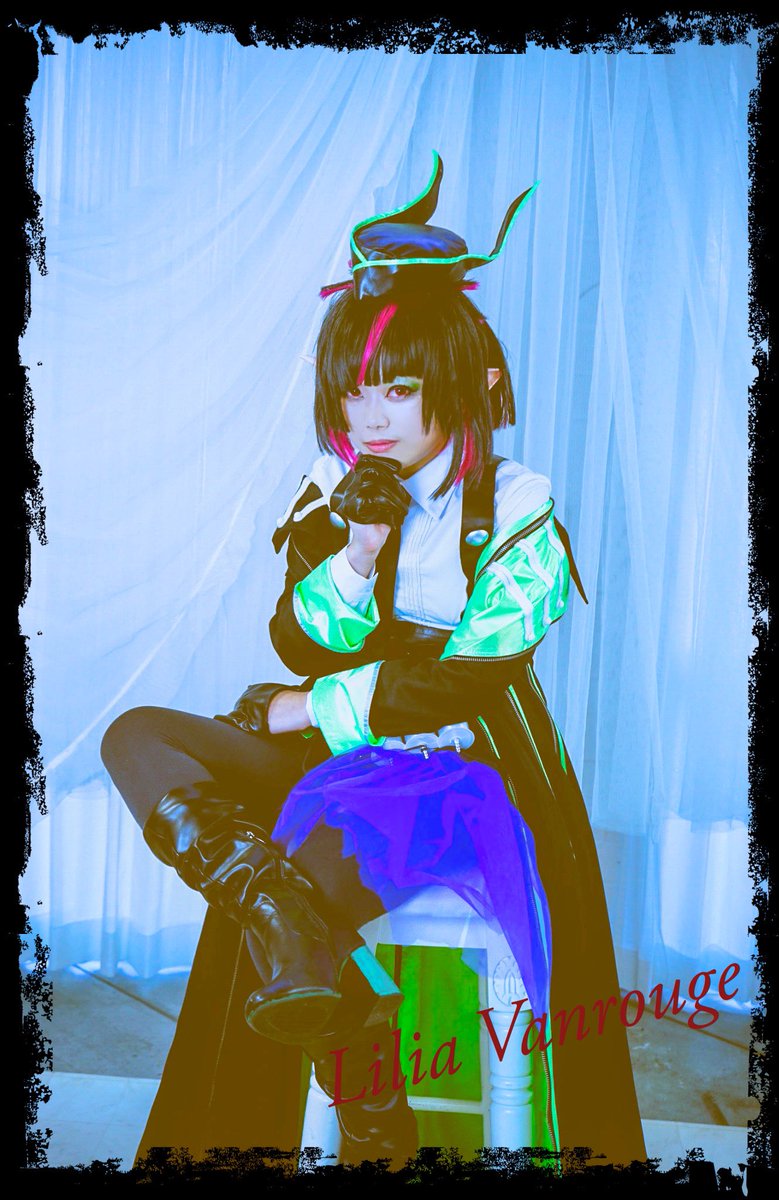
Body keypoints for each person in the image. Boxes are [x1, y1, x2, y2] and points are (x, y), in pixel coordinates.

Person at [100, 152, 646, 1169]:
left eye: (398, 388)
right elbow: (298, 640)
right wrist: (359, 550)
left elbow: (469, 677)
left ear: (474, 382)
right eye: (355, 391)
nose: (371, 417)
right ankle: (327, 995)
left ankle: (367, 1105)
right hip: (340, 748)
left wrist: (310, 710)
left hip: (462, 763)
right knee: (136, 736)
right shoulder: (338, 484)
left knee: (306, 899)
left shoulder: (515, 505)